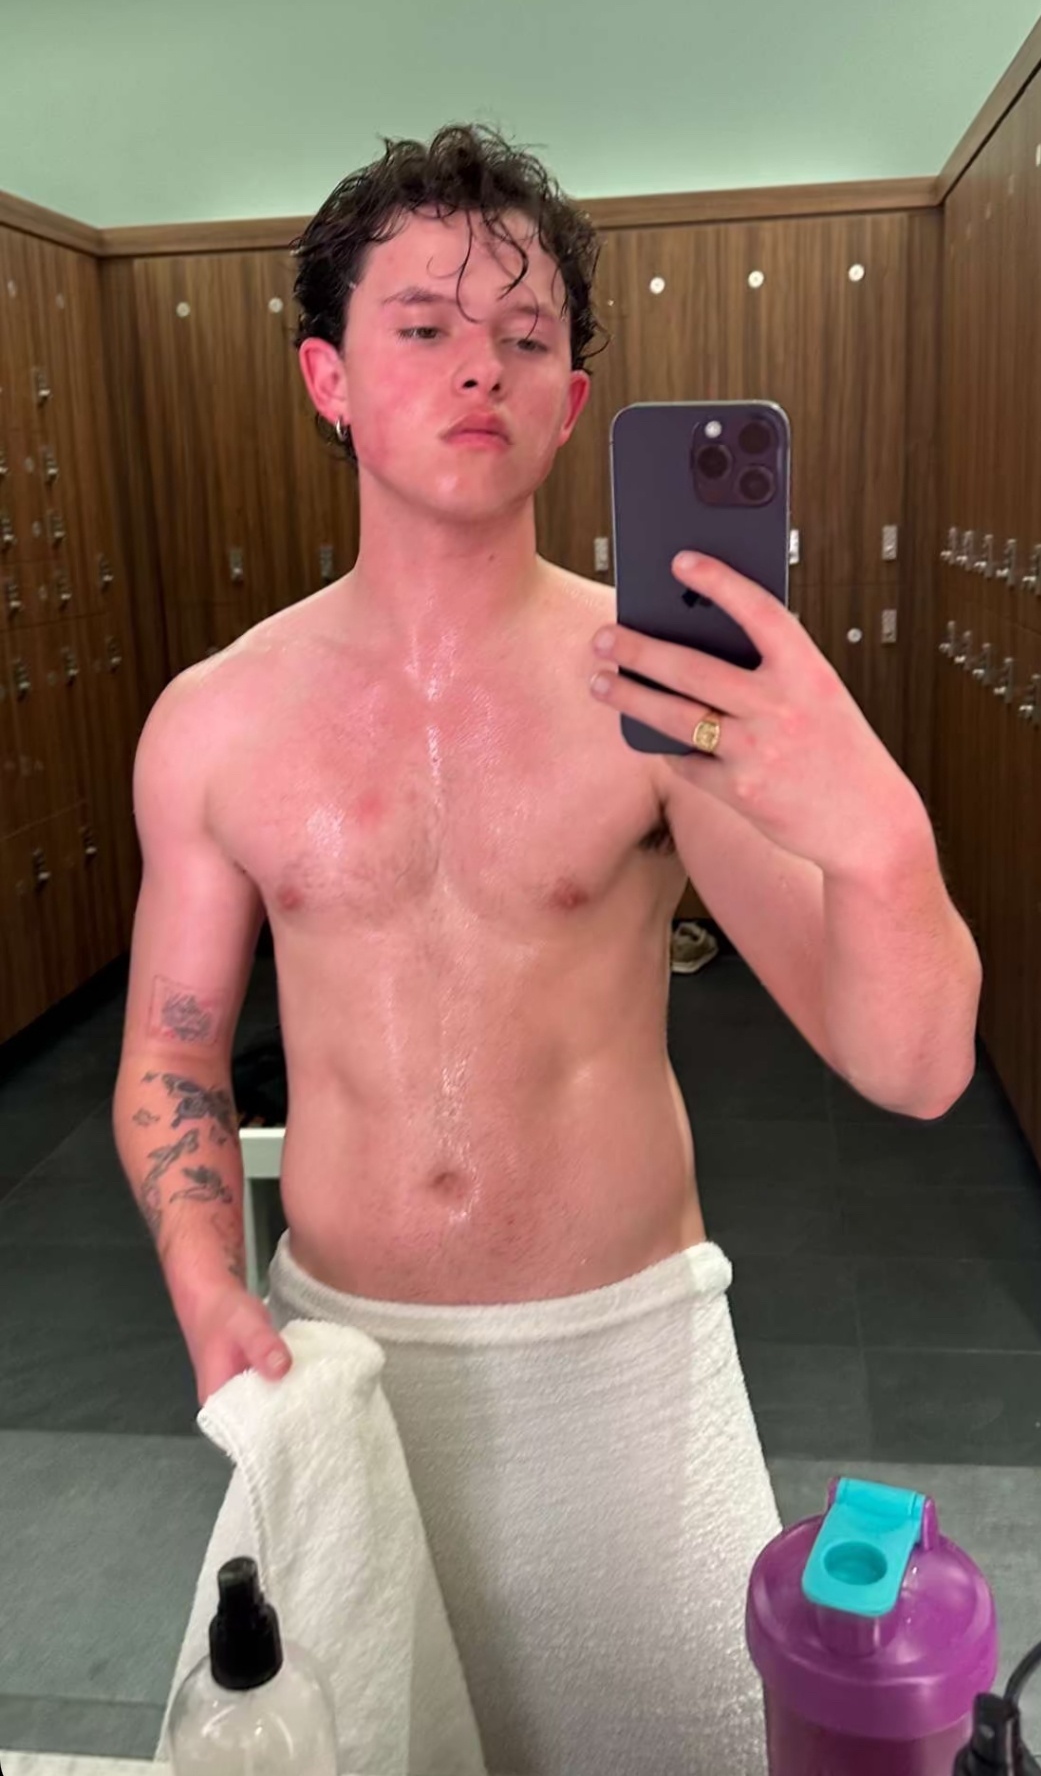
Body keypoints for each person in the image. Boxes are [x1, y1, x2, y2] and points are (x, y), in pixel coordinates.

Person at [113, 123, 981, 1776]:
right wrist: (207, 1284)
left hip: (630, 1374)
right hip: (338, 1364)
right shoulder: (216, 721)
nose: (480, 367)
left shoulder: (660, 694)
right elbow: (172, 1049)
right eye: (423, 325)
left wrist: (876, 831)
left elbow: (916, 1063)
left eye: (525, 337)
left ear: (572, 403)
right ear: (327, 378)